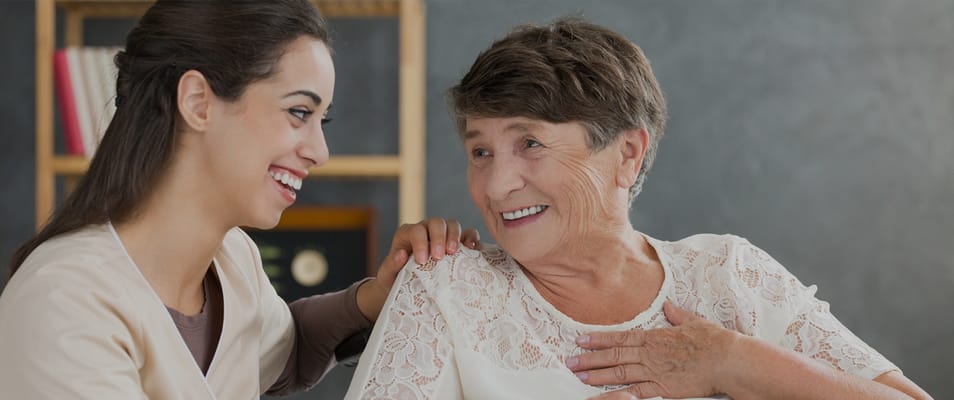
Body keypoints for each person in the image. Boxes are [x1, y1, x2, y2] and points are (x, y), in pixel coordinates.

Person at [343, 17, 933, 400]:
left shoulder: (731, 275)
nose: (495, 186)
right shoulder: (446, 289)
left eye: (530, 144)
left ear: (626, 153)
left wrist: (731, 361)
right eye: (479, 151)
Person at [0, 1, 477, 398]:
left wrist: (379, 295)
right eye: (298, 112)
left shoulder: (234, 260)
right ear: (198, 102)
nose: (320, 152)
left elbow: (281, 352)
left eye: (321, 121)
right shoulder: (64, 301)